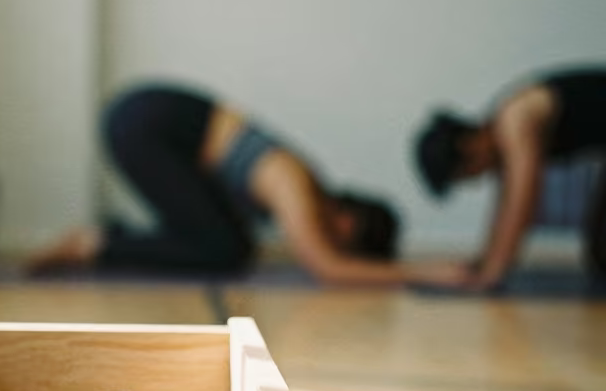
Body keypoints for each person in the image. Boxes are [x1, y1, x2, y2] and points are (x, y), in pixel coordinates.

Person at [29, 84, 453, 287]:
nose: (338, 243)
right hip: (143, 125)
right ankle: (93, 243)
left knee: (229, 243)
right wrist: (427, 272)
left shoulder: (298, 178)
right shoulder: (296, 183)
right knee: (224, 249)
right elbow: (326, 267)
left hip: (149, 122)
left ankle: (108, 239)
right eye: (350, 242)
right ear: (349, 220)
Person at [414, 66, 606, 290]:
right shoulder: (504, 130)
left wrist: (492, 273)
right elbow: (505, 205)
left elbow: (522, 199)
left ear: (469, 147)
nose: (478, 179)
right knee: (600, 254)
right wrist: (484, 261)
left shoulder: (514, 119)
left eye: (469, 175)